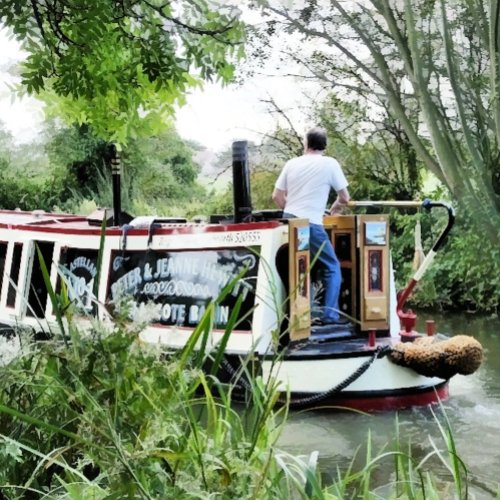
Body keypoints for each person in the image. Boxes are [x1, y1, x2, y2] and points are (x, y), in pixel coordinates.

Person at [272, 127, 350, 325]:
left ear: (306, 144)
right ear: (324, 145)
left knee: (300, 265)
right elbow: (345, 198)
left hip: (290, 220)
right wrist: (332, 210)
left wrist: (290, 210)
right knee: (332, 267)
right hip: (311, 224)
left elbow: (277, 197)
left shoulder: (292, 163)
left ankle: (297, 315)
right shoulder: (330, 164)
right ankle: (330, 316)